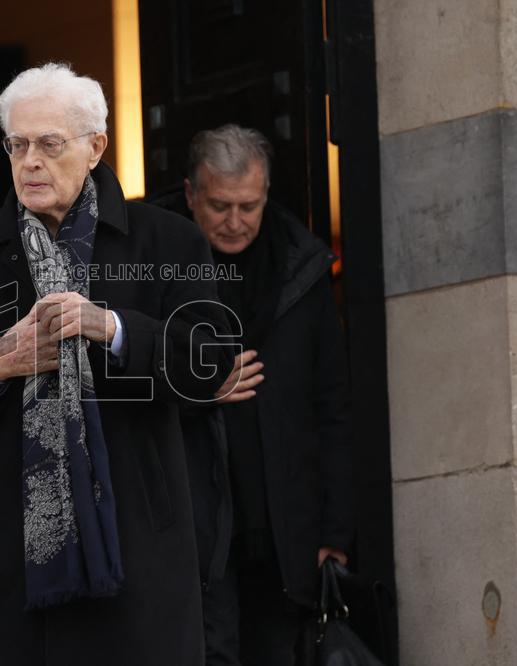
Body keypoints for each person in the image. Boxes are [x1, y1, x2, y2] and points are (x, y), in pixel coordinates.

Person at [0, 63, 235, 666]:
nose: (30, 161)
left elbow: (210, 363)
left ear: (96, 147)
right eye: (17, 144)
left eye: (49, 144)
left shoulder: (166, 241)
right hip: (8, 560)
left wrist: (110, 328)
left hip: (138, 548)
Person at [169, 124, 355, 665]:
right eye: (219, 205)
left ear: (266, 194)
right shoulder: (154, 260)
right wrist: (200, 392)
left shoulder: (304, 266)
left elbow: (333, 404)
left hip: (285, 523)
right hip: (195, 523)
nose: (234, 221)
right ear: (190, 195)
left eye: (247, 206)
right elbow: (118, 387)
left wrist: (336, 528)